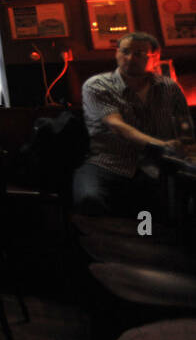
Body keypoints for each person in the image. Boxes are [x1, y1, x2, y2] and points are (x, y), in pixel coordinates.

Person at [72, 32, 190, 216]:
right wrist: (160, 144)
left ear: (155, 57)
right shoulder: (97, 85)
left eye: (139, 53)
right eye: (125, 52)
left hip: (158, 164)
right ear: (116, 53)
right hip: (109, 163)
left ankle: (151, 237)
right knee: (89, 198)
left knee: (166, 213)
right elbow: (117, 126)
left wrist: (183, 147)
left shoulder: (169, 87)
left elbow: (185, 127)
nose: (130, 58)